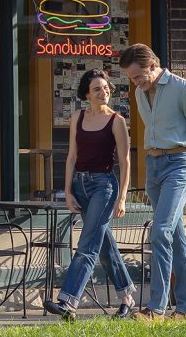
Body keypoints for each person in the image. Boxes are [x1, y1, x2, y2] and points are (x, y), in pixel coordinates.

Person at [119, 43, 186, 321]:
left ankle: (156, 309)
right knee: (176, 236)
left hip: (180, 164)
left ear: (152, 65)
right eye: (132, 78)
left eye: (139, 76)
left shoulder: (183, 89)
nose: (136, 82)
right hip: (154, 167)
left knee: (160, 231)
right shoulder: (139, 92)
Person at [44, 69, 137, 321]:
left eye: (106, 88)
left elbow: (125, 160)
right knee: (103, 244)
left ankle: (68, 301)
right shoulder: (77, 117)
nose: (103, 92)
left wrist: (123, 197)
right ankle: (127, 296)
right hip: (80, 186)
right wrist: (67, 191)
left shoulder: (117, 120)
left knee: (87, 245)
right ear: (86, 93)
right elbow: (71, 156)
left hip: (104, 187)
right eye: (97, 89)